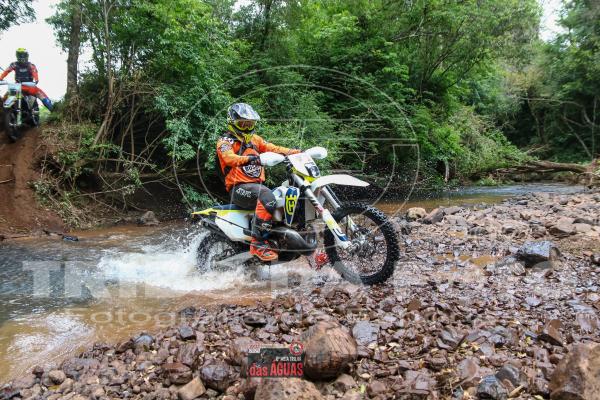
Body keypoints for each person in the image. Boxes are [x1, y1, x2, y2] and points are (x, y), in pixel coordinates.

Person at [216, 103, 300, 262]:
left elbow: (273, 148)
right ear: (232, 123)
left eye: (250, 124)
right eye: (243, 124)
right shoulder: (225, 141)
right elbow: (229, 158)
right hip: (238, 188)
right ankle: (258, 244)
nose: (247, 128)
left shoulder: (255, 140)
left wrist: (296, 152)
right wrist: (254, 159)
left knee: (285, 197)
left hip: (257, 187)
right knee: (267, 196)